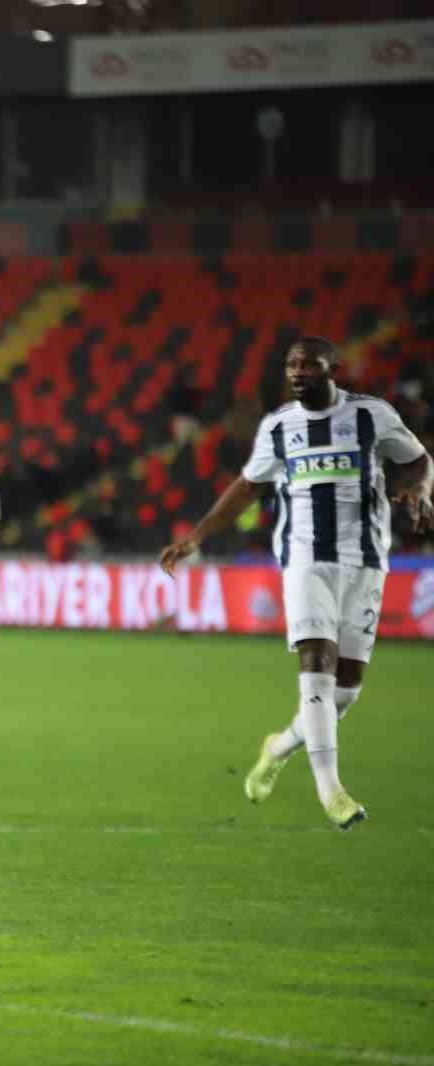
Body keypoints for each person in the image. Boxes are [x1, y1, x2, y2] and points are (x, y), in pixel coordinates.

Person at [160, 337, 432, 830]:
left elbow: (416, 459)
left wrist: (417, 487)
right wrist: (195, 536)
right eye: (291, 364)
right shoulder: (279, 427)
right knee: (317, 670)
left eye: (308, 363)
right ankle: (332, 790)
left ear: (333, 368)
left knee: (344, 691)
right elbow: (249, 486)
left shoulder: (372, 415)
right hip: (304, 560)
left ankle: (281, 745)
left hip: (366, 562)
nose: (297, 371)